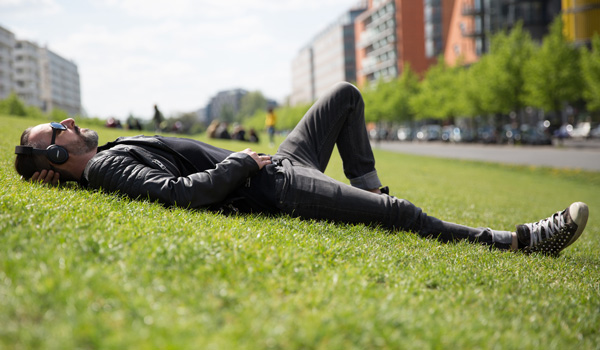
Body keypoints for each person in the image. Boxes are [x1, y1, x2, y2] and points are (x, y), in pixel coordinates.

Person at [14, 82, 589, 256]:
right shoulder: (107, 168)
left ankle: (370, 196)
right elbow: (181, 195)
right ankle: (516, 241)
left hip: (281, 162)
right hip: (272, 181)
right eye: (55, 134)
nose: (66, 123)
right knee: (396, 214)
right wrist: (241, 160)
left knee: (343, 96)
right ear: (55, 162)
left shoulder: (109, 149)